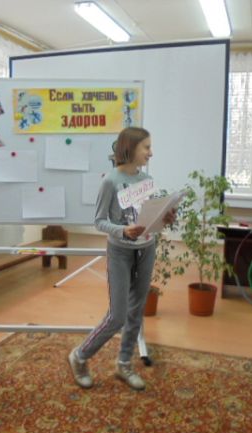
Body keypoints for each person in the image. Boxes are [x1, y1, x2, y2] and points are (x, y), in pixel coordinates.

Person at [68, 126, 175, 391]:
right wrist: (123, 231)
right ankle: (79, 356)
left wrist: (166, 217)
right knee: (117, 315)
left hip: (147, 249)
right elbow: (99, 221)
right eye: (146, 147)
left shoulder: (147, 180)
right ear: (131, 148)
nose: (151, 153)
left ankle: (124, 364)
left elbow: (149, 216)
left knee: (136, 311)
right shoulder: (110, 181)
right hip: (120, 252)